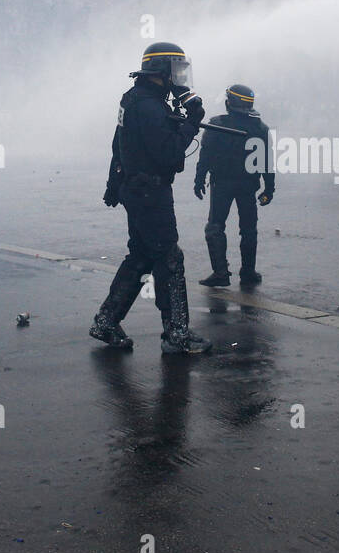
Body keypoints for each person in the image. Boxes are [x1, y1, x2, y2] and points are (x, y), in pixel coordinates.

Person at [91, 42, 212, 354]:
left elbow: (118, 143)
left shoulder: (133, 98)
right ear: (163, 71)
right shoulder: (149, 106)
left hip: (135, 189)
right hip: (151, 192)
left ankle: (106, 321)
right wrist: (191, 122)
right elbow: (170, 154)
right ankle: (177, 333)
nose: (180, 77)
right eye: (177, 70)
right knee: (170, 258)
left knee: (142, 256)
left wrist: (113, 182)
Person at [193, 84, 274, 287]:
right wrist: (269, 188)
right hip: (249, 185)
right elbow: (266, 161)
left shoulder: (217, 124)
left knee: (215, 226)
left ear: (230, 102)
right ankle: (248, 272)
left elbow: (206, 154)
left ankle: (221, 273)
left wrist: (199, 178)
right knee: (249, 229)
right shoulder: (260, 128)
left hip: (222, 184)